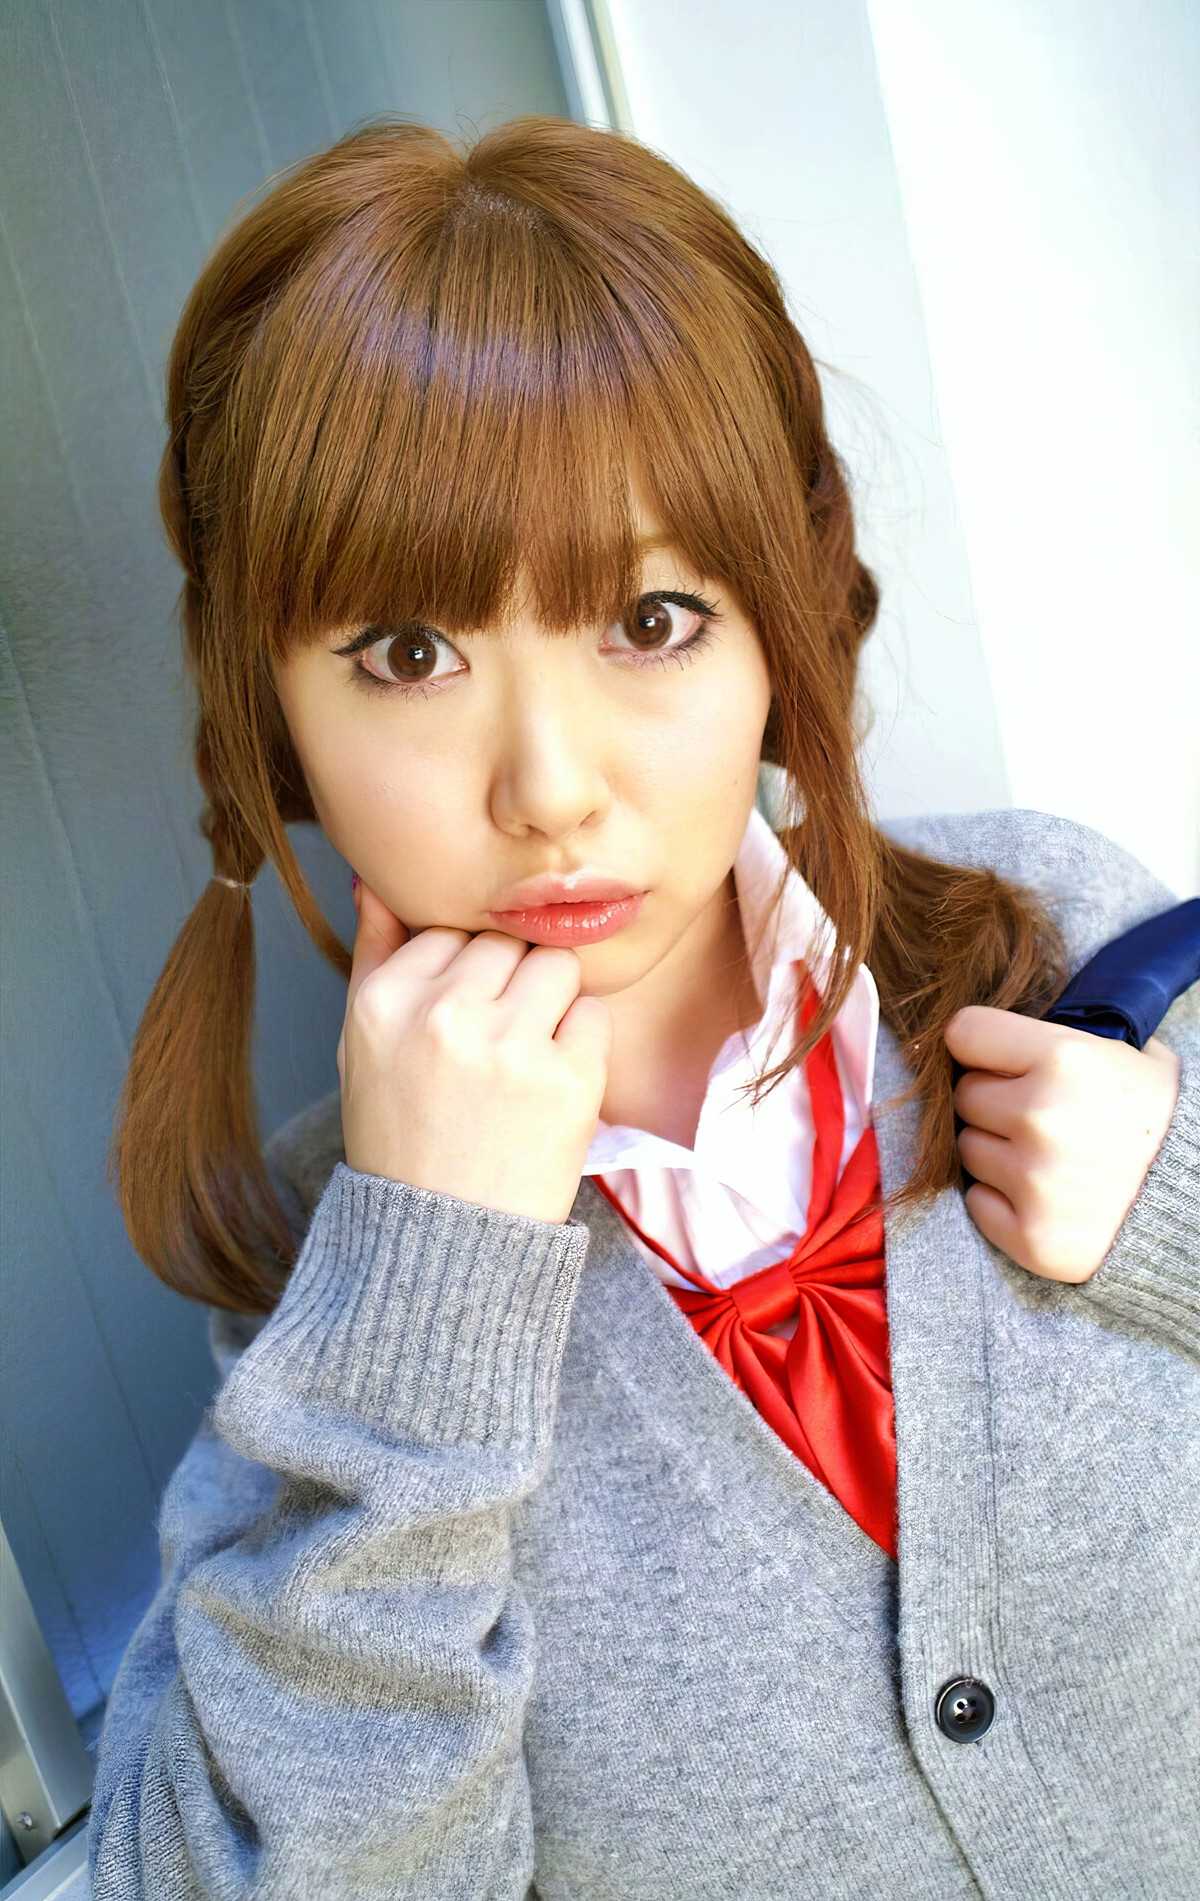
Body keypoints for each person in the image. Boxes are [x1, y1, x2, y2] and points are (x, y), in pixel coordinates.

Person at [88, 115, 1198, 1899]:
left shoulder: (1076, 951)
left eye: (653, 618)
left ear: (779, 611)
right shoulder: (326, 1281)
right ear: (273, 711)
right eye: (409, 654)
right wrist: (422, 1295)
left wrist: (1185, 1212)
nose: (549, 785)